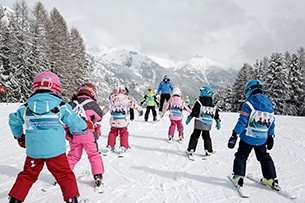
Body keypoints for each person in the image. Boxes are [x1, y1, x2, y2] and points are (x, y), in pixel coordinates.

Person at [8, 71, 88, 203]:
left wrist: (19, 136)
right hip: (55, 152)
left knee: (27, 175)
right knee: (64, 175)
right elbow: (75, 121)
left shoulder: (26, 106)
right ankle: (72, 199)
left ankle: (15, 200)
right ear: (56, 89)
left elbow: (14, 121)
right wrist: (84, 127)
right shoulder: (61, 105)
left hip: (34, 152)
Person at [227, 79, 279, 190]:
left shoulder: (249, 104)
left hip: (248, 138)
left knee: (241, 155)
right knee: (264, 157)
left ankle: (239, 177)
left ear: (249, 90)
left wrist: (235, 134)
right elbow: (271, 122)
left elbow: (242, 121)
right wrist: (271, 136)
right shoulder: (269, 104)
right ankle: (271, 179)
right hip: (262, 138)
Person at [66, 83, 105, 190]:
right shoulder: (91, 104)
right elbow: (99, 116)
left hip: (74, 135)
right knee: (94, 155)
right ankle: (97, 175)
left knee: (73, 156)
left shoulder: (71, 104)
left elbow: (65, 119)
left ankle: (65, 174)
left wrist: (67, 132)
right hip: (89, 135)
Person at [103, 86, 143, 154]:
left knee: (112, 133)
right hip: (122, 120)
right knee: (123, 133)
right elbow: (134, 105)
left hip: (114, 120)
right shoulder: (126, 100)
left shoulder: (112, 100)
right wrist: (140, 110)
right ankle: (124, 146)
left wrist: (101, 114)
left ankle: (110, 145)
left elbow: (106, 108)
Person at [186, 86, 221, 156]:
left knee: (195, 135)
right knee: (206, 136)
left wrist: (189, 117)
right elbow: (215, 114)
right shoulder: (212, 104)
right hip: (208, 123)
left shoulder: (199, 102)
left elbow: (194, 112)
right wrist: (218, 122)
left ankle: (191, 149)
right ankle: (209, 150)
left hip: (199, 122)